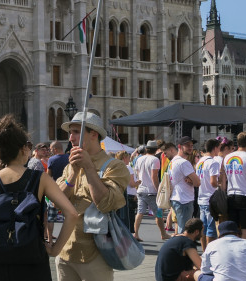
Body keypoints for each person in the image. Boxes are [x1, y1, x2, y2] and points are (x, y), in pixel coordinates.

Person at [0, 115, 78, 281]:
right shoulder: (40, 179)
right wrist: (55, 249)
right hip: (32, 261)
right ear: (23, 149)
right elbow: (72, 214)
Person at [54, 111, 127, 281]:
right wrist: (72, 175)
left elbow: (106, 204)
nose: (71, 138)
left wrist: (88, 167)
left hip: (96, 255)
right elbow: (57, 203)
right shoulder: (69, 165)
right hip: (66, 251)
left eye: (76, 132)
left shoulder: (114, 166)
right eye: (70, 132)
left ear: (93, 134)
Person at [220, 131, 246, 241]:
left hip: (231, 196)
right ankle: (244, 256)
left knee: (233, 230)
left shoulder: (227, 157)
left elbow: (223, 178)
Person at [135, 142, 169, 240]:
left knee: (140, 212)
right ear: (155, 149)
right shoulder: (155, 159)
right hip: (151, 191)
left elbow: (137, 173)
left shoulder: (139, 159)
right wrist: (158, 189)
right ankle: (163, 233)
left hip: (141, 189)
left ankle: (136, 233)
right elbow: (154, 176)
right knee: (158, 213)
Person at [169, 136, 201, 230]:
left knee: (181, 229)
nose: (190, 147)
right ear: (179, 146)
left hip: (177, 198)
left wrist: (191, 180)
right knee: (184, 231)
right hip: (184, 200)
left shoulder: (174, 160)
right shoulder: (184, 163)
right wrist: (192, 180)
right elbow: (197, 182)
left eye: (191, 145)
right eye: (187, 145)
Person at [196, 139, 222, 249]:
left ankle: (204, 251)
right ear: (215, 148)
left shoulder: (200, 161)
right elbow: (213, 182)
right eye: (219, 148)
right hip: (210, 198)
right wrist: (220, 184)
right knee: (211, 229)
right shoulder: (213, 162)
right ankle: (210, 252)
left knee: (203, 228)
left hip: (201, 197)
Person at [46, 141, 71, 243]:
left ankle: (50, 240)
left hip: (56, 191)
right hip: (68, 190)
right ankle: (67, 239)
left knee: (51, 217)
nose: (50, 151)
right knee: (68, 216)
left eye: (51, 149)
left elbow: (48, 177)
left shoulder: (52, 160)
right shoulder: (69, 158)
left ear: (55, 149)